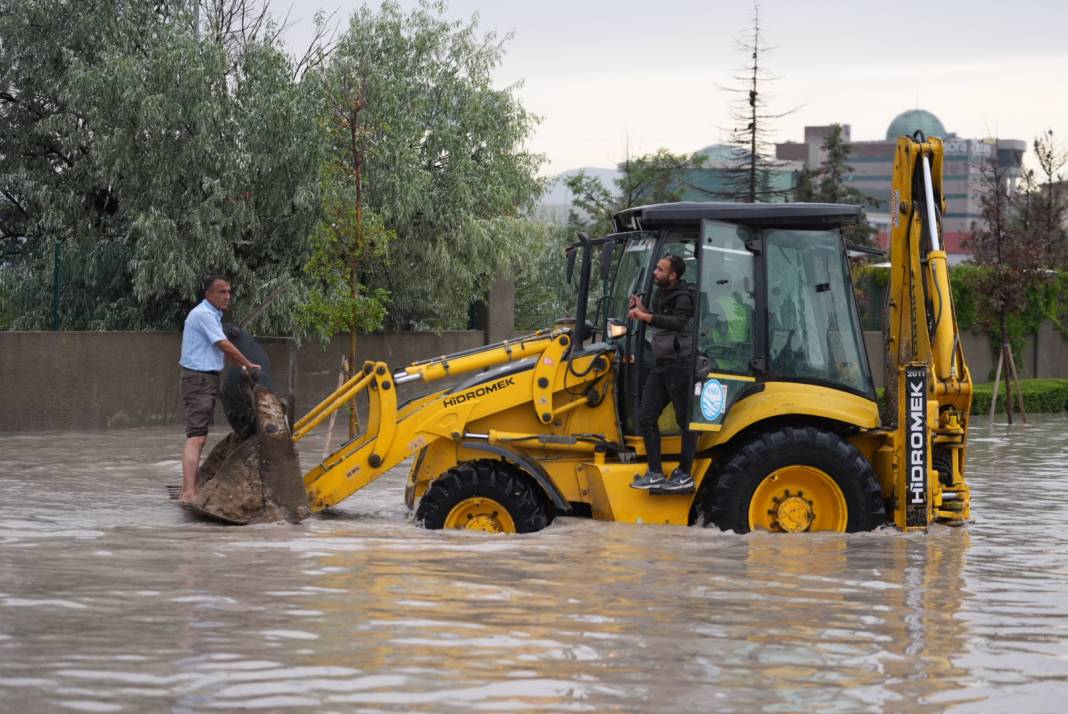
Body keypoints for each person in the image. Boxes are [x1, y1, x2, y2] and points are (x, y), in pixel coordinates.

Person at [178, 276, 261, 503]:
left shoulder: (211, 316)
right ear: (209, 294)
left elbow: (221, 352)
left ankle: (189, 488)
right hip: (199, 380)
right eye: (222, 292)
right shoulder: (204, 315)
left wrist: (242, 366)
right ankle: (188, 493)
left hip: (205, 379)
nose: (227, 297)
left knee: (199, 436)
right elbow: (223, 344)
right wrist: (247, 364)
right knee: (196, 437)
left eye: (229, 292)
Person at [627, 254, 698, 493]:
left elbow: (678, 323)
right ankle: (655, 472)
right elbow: (659, 321)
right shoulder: (662, 294)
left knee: (685, 420)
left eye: (660, 269)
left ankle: (685, 474)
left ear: (673, 275)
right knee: (646, 416)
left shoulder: (685, 296)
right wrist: (640, 308)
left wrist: (645, 316)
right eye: (656, 268)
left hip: (680, 365)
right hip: (662, 364)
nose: (655, 272)